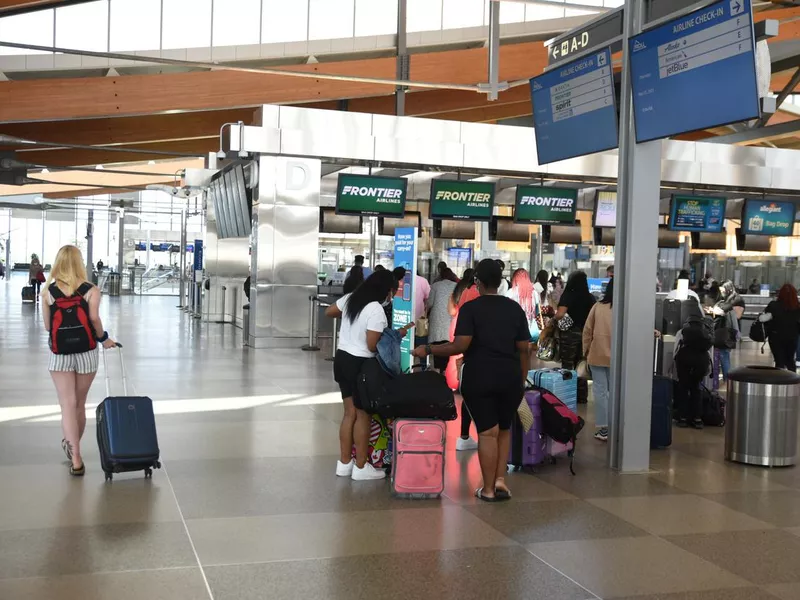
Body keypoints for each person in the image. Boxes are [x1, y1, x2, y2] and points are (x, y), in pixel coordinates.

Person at [413, 259, 530, 502]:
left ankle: (487, 490)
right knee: (504, 429)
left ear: (477, 281)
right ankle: (500, 481)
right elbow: (524, 349)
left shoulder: (471, 309)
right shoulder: (514, 308)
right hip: (510, 377)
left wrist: (429, 350)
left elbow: (460, 345)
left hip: (480, 376)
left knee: (488, 433)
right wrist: (522, 378)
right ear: (500, 282)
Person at [326, 270, 412, 480]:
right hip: (360, 365)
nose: (391, 296)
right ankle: (361, 467)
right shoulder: (375, 309)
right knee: (362, 415)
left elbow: (329, 311)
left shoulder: (350, 299)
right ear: (384, 290)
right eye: (391, 292)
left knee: (349, 414)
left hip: (342, 359)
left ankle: (344, 464)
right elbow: (372, 345)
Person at [42, 245, 117, 476]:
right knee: (79, 403)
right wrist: (104, 339)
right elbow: (93, 318)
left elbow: (47, 326)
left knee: (67, 404)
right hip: (86, 352)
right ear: (79, 263)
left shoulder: (47, 292)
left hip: (60, 354)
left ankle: (76, 458)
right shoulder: (91, 290)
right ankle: (74, 445)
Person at [446, 268, 481, 451]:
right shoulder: (476, 292)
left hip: (460, 332)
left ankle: (464, 435)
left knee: (467, 388)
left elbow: (452, 310)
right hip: (477, 345)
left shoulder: (462, 290)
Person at [553, 271, 596, 403]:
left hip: (569, 335)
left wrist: (553, 319)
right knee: (581, 364)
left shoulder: (568, 295)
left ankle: (566, 394)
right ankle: (582, 396)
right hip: (585, 335)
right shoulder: (590, 297)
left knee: (567, 364)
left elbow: (560, 314)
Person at [583, 279, 613, 442]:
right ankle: (618, 425)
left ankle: (604, 429)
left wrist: (586, 350)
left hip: (597, 354)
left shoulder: (598, 307)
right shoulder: (626, 307)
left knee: (600, 392)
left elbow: (587, 330)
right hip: (618, 357)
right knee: (616, 392)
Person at [674, 315, 712, 429]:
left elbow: (676, 348)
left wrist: (673, 365)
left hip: (684, 360)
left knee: (683, 388)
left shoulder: (682, 331)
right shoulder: (705, 332)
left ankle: (683, 418)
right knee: (696, 388)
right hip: (701, 362)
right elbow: (708, 350)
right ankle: (697, 419)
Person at [759, 283, 800, 372]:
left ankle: (779, 382)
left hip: (775, 337)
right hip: (792, 337)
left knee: (779, 361)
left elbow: (763, 319)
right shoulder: (797, 307)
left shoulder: (774, 305)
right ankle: (792, 381)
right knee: (790, 360)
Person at [426, 267, 459, 371]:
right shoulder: (456, 286)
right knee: (448, 343)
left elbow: (430, 303)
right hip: (450, 318)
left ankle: (438, 370)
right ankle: (446, 370)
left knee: (437, 344)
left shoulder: (435, 285)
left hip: (437, 318)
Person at [506, 268, 536, 339]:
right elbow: (536, 312)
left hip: (513, 329)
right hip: (530, 330)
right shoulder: (534, 293)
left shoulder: (510, 292)